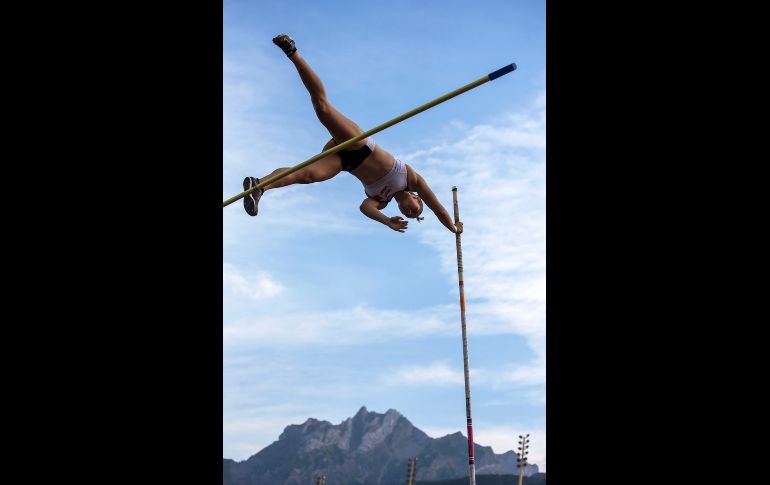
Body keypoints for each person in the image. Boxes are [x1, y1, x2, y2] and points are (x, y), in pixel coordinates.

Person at [243, 34, 462, 235]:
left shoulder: (382, 200)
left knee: (309, 176)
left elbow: (365, 208)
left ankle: (259, 185)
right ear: (416, 198)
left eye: (408, 215)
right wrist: (453, 228)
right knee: (323, 109)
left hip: (342, 161)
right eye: (414, 211)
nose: (409, 213)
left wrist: (387, 221)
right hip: (360, 145)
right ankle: (293, 52)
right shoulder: (412, 181)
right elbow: (438, 209)